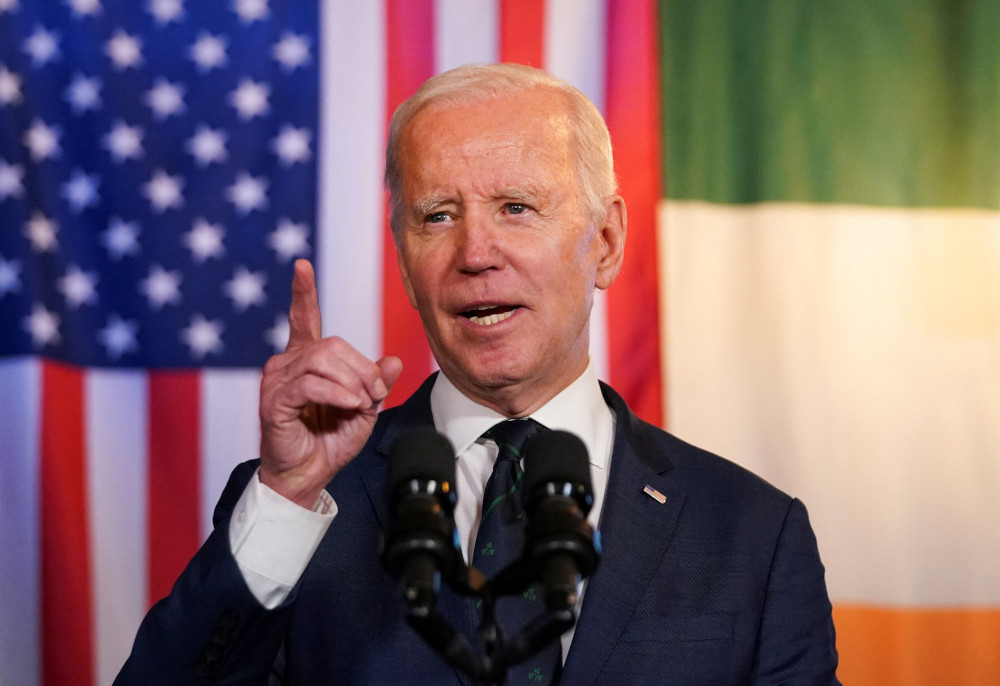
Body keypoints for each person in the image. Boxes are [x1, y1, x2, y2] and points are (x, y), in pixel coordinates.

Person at [116, 63, 839, 685]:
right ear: (403, 257)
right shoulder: (298, 503)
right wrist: (287, 499)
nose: (475, 253)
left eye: (516, 208)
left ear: (608, 242)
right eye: (436, 217)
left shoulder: (751, 532)